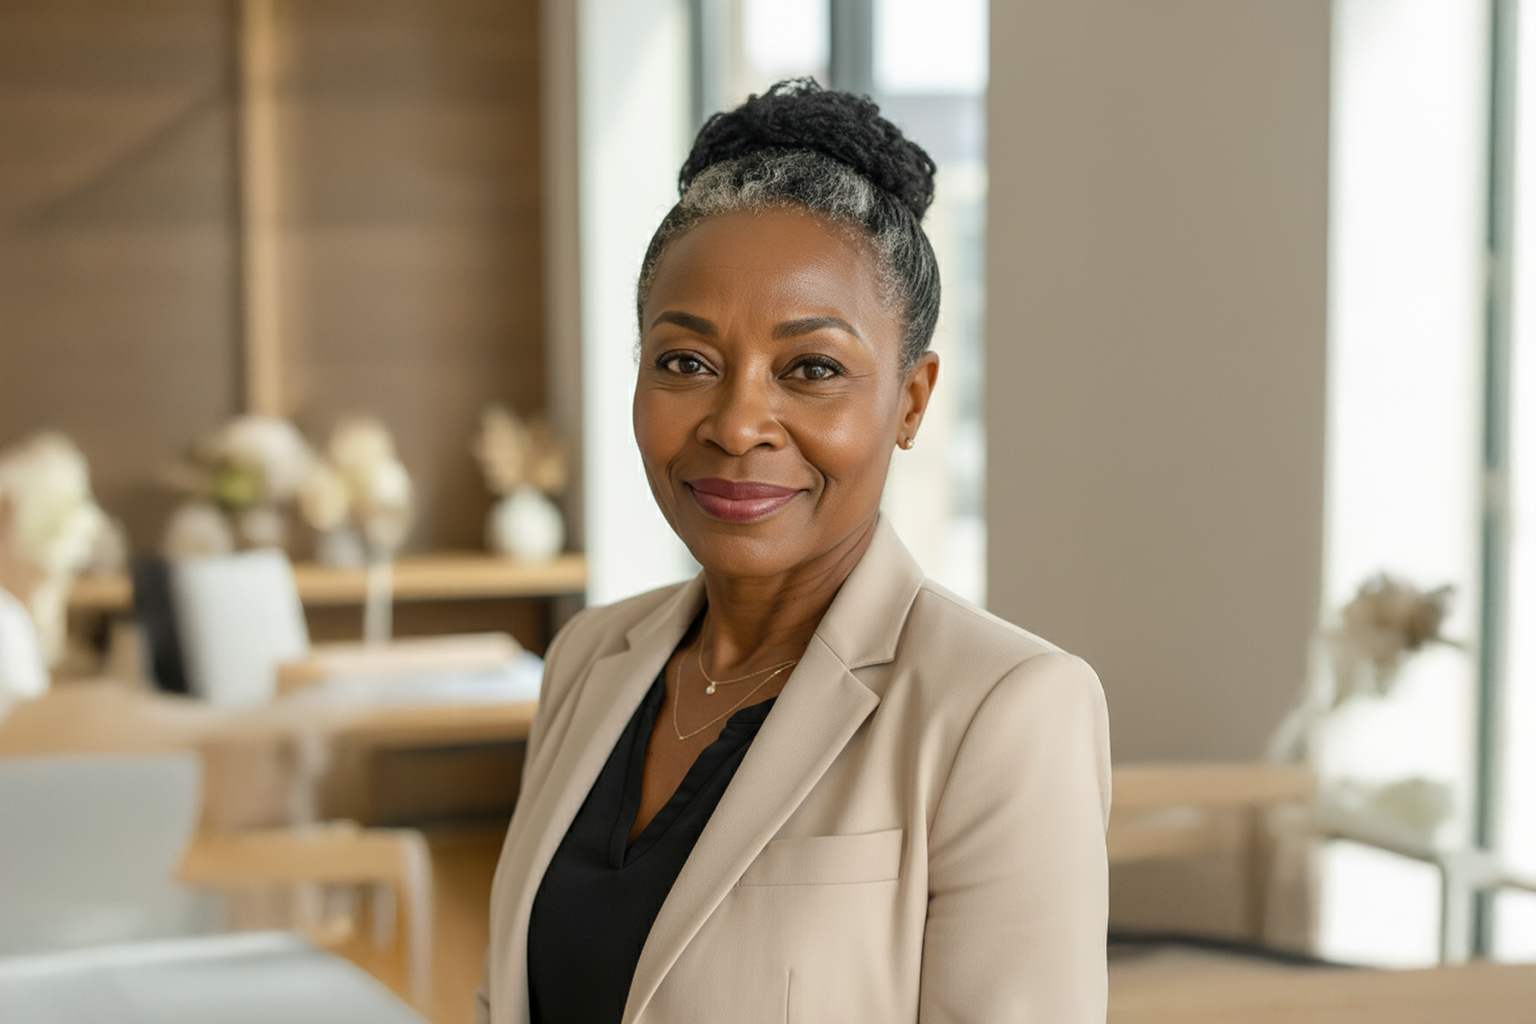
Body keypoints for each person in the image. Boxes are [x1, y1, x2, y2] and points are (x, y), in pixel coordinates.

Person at [477, 79, 1110, 1024]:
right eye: (685, 363)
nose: (736, 426)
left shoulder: (1004, 709)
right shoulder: (586, 659)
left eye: (811, 369)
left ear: (910, 399)